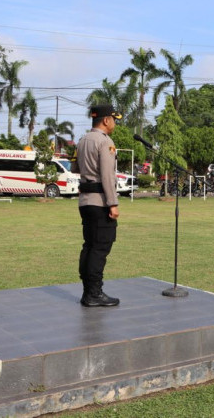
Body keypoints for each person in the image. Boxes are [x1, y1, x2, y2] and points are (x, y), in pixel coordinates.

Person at [73, 104, 122, 307]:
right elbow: (108, 176)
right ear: (106, 120)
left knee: (89, 246)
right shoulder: (105, 142)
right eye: (114, 120)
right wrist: (113, 204)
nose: (115, 124)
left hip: (85, 201)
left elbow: (76, 167)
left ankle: (88, 292)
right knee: (100, 246)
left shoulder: (83, 140)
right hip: (100, 201)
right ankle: (94, 293)